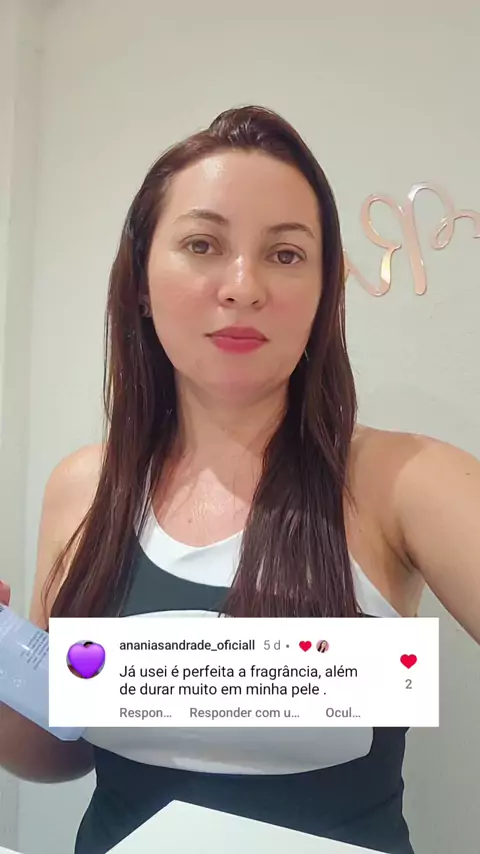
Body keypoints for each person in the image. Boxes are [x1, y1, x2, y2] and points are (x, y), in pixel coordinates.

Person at [0, 105, 479, 854]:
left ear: (324, 291)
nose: (244, 286)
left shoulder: (409, 480)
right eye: (203, 244)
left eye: (285, 254)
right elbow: (58, 749)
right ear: (141, 281)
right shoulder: (82, 488)